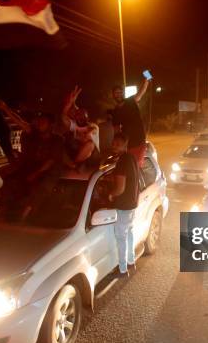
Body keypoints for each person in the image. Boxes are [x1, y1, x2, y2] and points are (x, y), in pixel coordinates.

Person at [0, 111, 64, 221]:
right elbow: (19, 121)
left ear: (51, 125)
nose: (40, 124)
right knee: (9, 179)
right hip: (32, 169)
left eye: (43, 122)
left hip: (49, 173)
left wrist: (36, 174)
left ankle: (23, 219)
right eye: (39, 121)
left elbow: (51, 161)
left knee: (38, 192)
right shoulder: (34, 134)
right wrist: (4, 108)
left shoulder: (57, 140)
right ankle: (2, 214)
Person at [107, 133, 140, 278]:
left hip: (124, 206)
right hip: (132, 203)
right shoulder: (131, 157)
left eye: (117, 144)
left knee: (121, 237)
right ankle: (131, 261)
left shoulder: (121, 162)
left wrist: (110, 195)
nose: (114, 146)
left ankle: (122, 269)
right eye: (113, 143)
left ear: (125, 144)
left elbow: (119, 189)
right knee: (130, 233)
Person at [111, 78, 150, 167]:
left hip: (139, 138)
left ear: (123, 93)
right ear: (113, 95)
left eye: (120, 92)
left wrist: (147, 77)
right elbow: (116, 130)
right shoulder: (115, 111)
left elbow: (142, 90)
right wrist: (117, 145)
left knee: (137, 165)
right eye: (116, 93)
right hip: (127, 142)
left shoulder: (131, 101)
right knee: (129, 166)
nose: (118, 95)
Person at [61, 86, 100, 169]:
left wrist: (84, 135)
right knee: (61, 141)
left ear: (87, 118)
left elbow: (88, 136)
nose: (80, 117)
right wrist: (70, 103)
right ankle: (72, 164)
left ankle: (73, 164)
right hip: (77, 154)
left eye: (83, 116)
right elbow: (63, 117)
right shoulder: (75, 124)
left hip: (91, 158)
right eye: (77, 115)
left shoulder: (93, 126)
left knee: (90, 144)